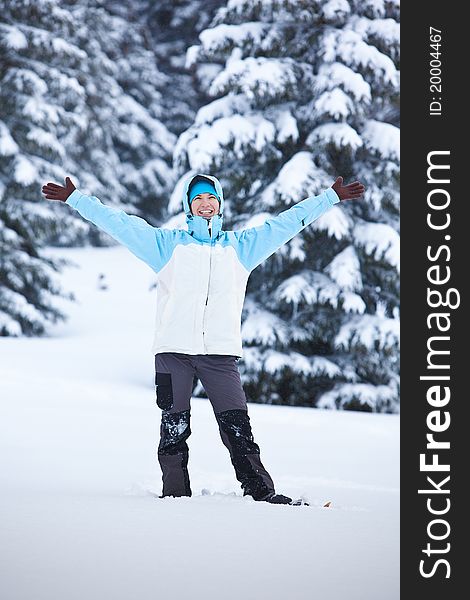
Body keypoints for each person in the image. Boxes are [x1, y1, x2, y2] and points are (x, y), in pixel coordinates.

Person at [42, 173, 365, 505]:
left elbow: (286, 224)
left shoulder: (241, 247)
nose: (205, 204)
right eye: (198, 199)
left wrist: (329, 197)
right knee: (174, 428)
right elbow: (119, 224)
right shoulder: (166, 246)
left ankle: (260, 491)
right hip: (173, 353)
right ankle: (175, 494)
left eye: (211, 198)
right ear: (188, 206)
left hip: (220, 355)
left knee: (238, 427)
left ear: (220, 204)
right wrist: (76, 199)